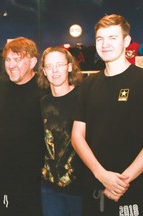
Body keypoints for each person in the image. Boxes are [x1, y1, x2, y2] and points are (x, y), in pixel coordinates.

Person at [71, 14, 143, 216]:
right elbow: (77, 136)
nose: (105, 44)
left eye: (112, 38)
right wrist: (102, 175)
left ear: (126, 41)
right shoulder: (88, 85)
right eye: (100, 39)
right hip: (94, 188)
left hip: (133, 188)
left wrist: (122, 181)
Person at [0, 37, 49, 216]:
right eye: (8, 60)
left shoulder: (45, 89)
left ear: (33, 62)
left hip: (30, 176)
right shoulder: (1, 85)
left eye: (18, 59)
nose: (11, 65)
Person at [37, 47, 83, 216]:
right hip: (49, 188)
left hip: (80, 187)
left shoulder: (83, 98)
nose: (54, 70)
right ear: (44, 71)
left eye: (59, 65)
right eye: (49, 66)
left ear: (69, 67)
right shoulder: (42, 103)